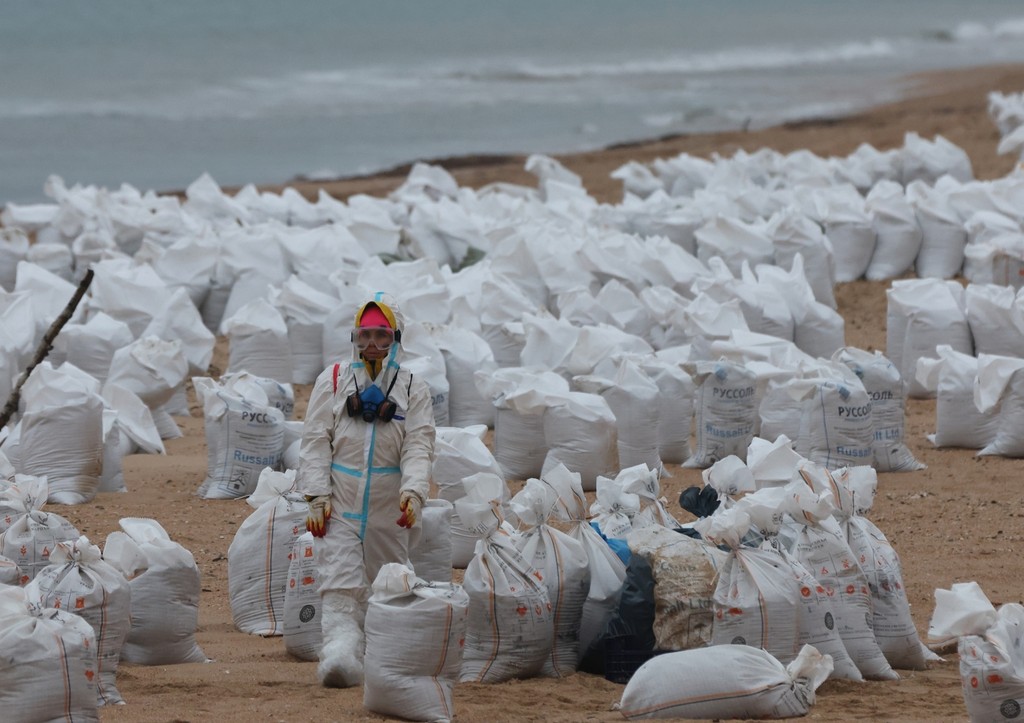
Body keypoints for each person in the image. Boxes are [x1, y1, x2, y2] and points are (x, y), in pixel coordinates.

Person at [297, 291, 435, 688]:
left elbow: (419, 444)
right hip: (338, 501)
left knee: (387, 584)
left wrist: (413, 492)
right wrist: (316, 495)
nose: (372, 345)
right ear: (353, 338)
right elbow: (315, 440)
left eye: (381, 335)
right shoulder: (335, 379)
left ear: (397, 338)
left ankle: (380, 658)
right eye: (364, 335)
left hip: (388, 506)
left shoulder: (412, 387)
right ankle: (340, 654)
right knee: (339, 581)